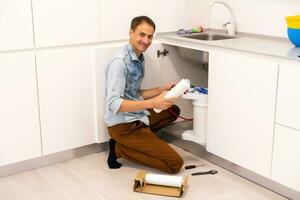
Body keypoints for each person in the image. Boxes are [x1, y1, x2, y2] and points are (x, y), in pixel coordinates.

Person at [104, 16, 183, 174]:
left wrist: (162, 89)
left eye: (150, 36)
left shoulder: (139, 57)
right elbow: (114, 104)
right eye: (142, 35)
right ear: (131, 32)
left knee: (173, 110)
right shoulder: (119, 62)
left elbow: (135, 92)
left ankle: (139, 140)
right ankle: (119, 149)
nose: (146, 40)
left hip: (138, 115)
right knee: (175, 164)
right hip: (124, 126)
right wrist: (153, 103)